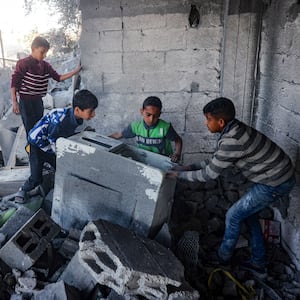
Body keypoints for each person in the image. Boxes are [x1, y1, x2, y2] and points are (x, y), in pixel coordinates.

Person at [168, 97, 295, 279]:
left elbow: (209, 174)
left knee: (233, 215)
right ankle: (259, 261)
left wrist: (178, 175)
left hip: (276, 181)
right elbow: (216, 159)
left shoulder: (232, 139)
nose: (206, 123)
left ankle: (222, 259)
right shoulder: (233, 129)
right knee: (248, 214)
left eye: (208, 119)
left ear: (220, 121)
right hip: (275, 174)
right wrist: (189, 167)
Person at [14, 89, 98, 203]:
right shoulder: (60, 121)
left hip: (50, 144)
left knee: (61, 168)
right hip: (37, 146)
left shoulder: (74, 117)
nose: (93, 114)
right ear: (78, 110)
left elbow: (63, 136)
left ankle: (60, 187)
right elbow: (53, 140)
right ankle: (23, 190)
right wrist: (61, 155)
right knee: (36, 177)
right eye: (91, 111)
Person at [11, 36, 82, 135]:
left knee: (39, 126)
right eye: (42, 52)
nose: (44, 55)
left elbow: (58, 78)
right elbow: (14, 82)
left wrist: (75, 71)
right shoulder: (23, 63)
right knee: (30, 128)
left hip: (38, 101)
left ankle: (38, 147)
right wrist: (14, 102)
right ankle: (31, 148)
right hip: (26, 101)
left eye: (46, 52)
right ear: (33, 49)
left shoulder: (45, 66)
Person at [110, 96, 183, 163]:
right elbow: (118, 135)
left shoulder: (165, 127)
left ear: (159, 114)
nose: (151, 119)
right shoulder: (135, 126)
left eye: (155, 116)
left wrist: (177, 153)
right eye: (148, 115)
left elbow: (178, 140)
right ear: (142, 112)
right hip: (144, 160)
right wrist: (101, 141)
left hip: (162, 160)